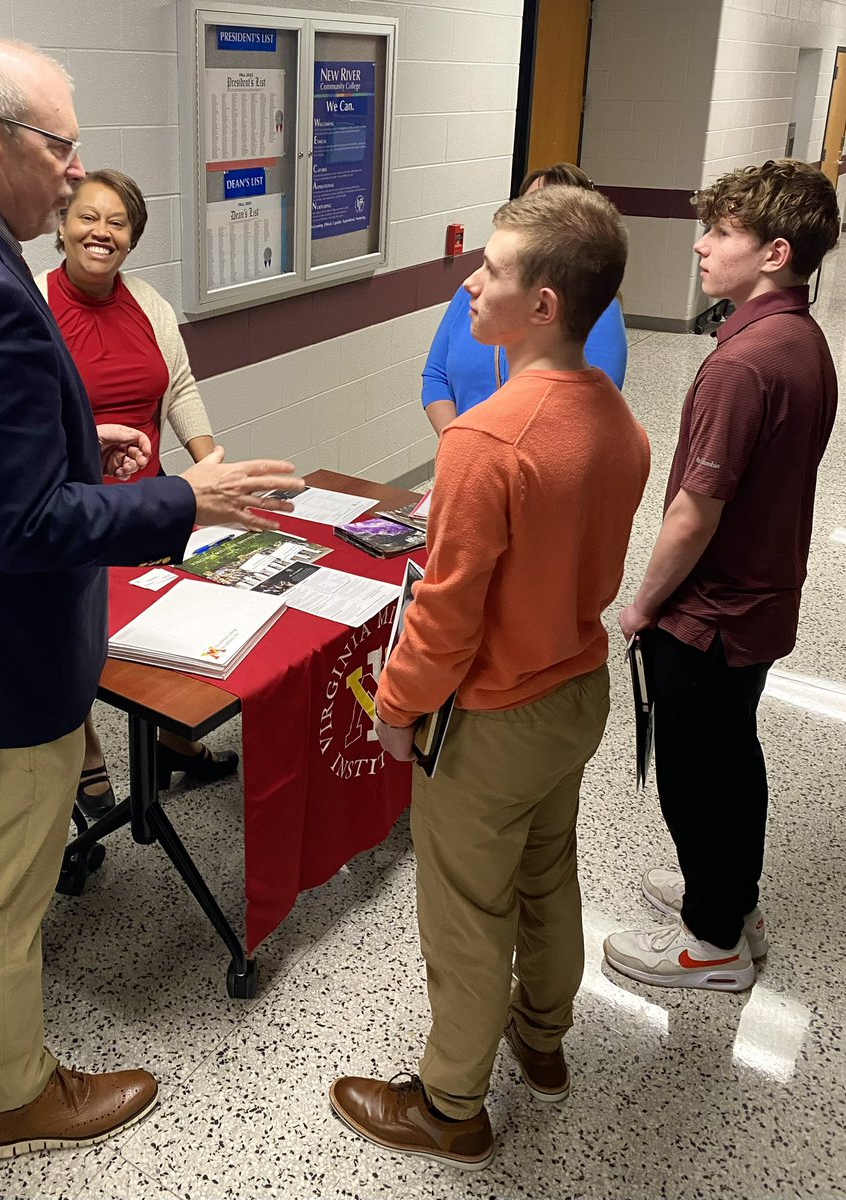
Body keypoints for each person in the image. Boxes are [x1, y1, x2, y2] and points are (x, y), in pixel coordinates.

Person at [0, 40, 301, 1159]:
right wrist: (187, 495)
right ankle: (13, 1098)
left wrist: (77, 439)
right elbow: (25, 526)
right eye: (60, 145)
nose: (74, 176)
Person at [329, 186, 649, 1170]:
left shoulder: (484, 442)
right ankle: (541, 1040)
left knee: (467, 914)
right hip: (574, 692)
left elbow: (444, 613)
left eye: (492, 270)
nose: (470, 281)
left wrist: (392, 709)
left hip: (495, 717)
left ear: (542, 306)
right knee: (548, 875)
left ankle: (450, 1106)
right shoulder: (621, 425)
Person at [604, 159, 839, 992]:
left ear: (775, 252)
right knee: (733, 760)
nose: (701, 246)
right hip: (759, 603)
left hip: (709, 615)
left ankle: (711, 945)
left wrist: (642, 604)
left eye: (723, 233)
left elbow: (692, 513)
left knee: (697, 774)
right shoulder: (801, 338)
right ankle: (729, 899)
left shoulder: (743, 365)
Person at [36, 169, 235, 817]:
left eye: (117, 222)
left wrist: (212, 468)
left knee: (171, 633)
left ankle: (174, 742)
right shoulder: (30, 302)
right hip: (71, 514)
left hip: (149, 509)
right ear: (61, 225)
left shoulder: (148, 303)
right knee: (74, 648)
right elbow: (26, 417)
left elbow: (179, 389)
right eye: (87, 217)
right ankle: (87, 757)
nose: (101, 232)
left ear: (133, 237)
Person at [421, 163, 629, 436]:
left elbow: (581, 416)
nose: (475, 283)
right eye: (528, 205)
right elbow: (436, 375)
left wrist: (485, 453)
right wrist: (457, 443)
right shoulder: (474, 290)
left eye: (547, 209)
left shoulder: (595, 310)